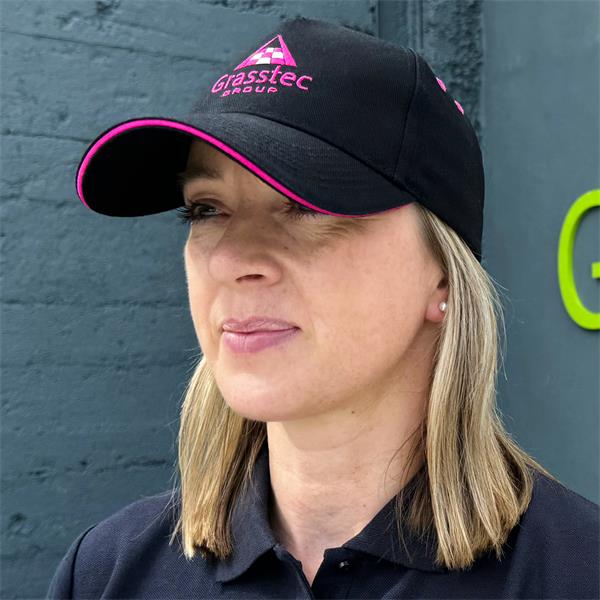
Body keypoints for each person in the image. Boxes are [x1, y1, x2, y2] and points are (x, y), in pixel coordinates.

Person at [47, 16, 598, 600]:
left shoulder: (577, 574)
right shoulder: (107, 574)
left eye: (304, 204)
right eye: (206, 209)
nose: (231, 259)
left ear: (442, 272)